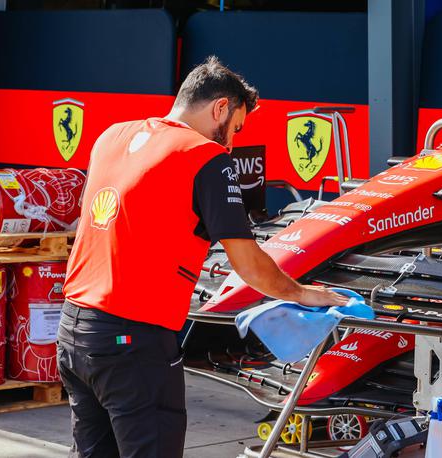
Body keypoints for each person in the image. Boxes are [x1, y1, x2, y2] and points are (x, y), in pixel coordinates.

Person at [58, 56, 347, 458]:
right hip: (133, 342)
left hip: (74, 331)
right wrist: (302, 293)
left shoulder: (110, 137)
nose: (231, 143)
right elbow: (247, 263)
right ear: (220, 108)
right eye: (235, 129)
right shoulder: (206, 157)